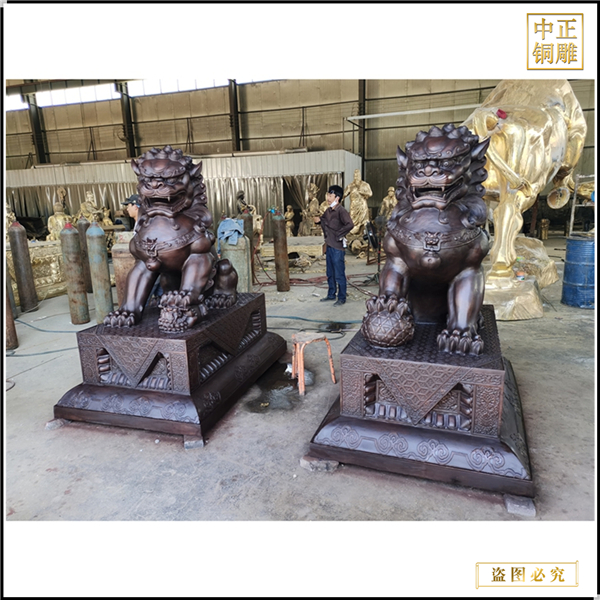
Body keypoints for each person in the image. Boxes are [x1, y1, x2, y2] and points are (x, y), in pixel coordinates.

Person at [313, 185, 354, 306]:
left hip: (337, 248)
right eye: (328, 195)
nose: (328, 198)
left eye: (330, 196)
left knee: (339, 274)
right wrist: (318, 221)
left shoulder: (341, 211)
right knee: (330, 273)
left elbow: (350, 224)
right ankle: (331, 294)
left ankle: (341, 297)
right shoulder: (328, 211)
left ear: (337, 198)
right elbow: (324, 221)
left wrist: (339, 234)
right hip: (329, 246)